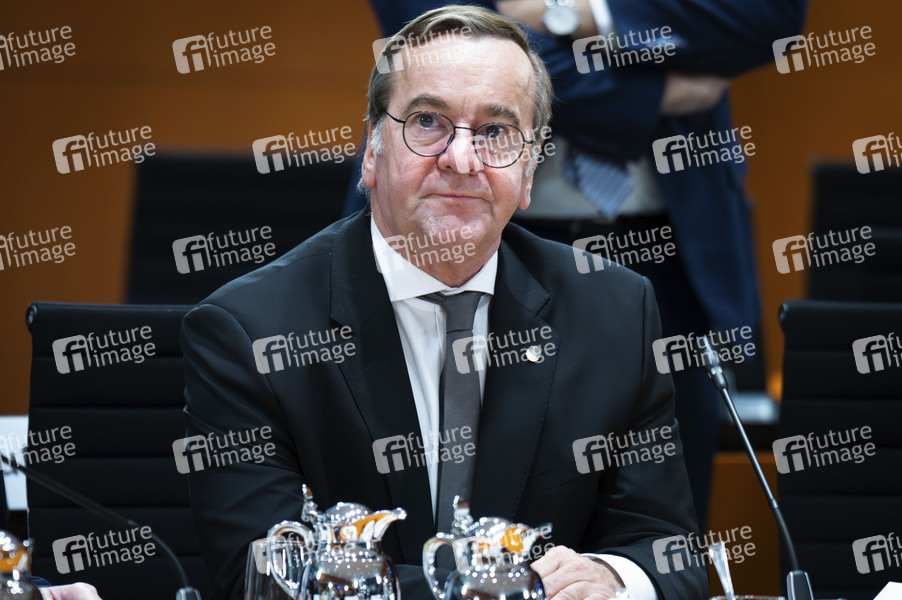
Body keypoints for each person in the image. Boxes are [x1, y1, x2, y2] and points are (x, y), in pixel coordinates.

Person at [181, 6, 706, 600]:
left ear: (529, 170)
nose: (462, 159)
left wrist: (611, 579)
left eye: (496, 132)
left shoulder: (615, 312)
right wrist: (512, 589)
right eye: (428, 122)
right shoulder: (250, 332)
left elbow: (667, 549)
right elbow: (267, 574)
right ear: (373, 151)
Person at [348, 0, 807, 528]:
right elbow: (440, 51)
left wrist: (578, 13)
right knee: (451, 493)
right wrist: (654, 94)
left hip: (670, 253)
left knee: (658, 519)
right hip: (473, 237)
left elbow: (766, 18)